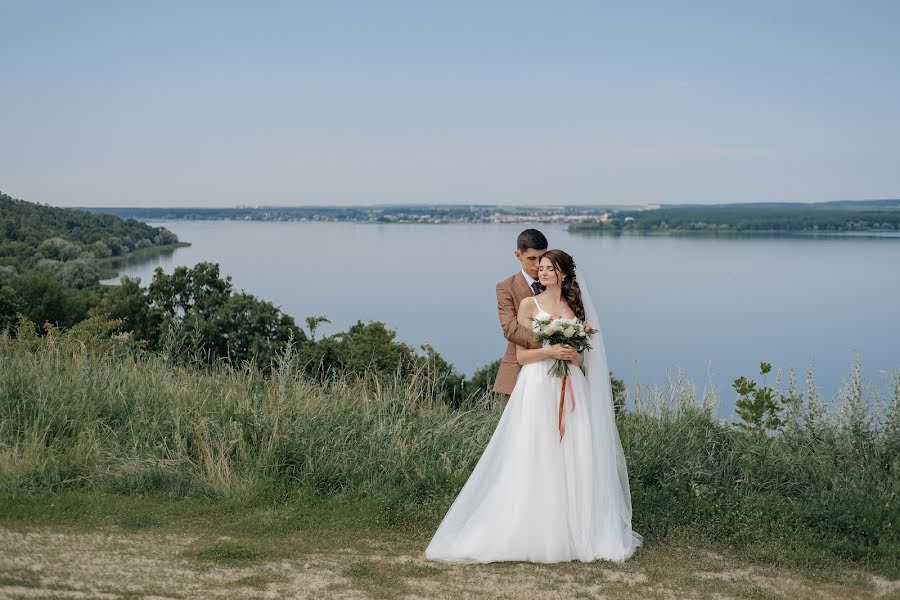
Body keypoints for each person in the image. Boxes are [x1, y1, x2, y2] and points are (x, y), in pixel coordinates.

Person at [425, 249, 643, 564]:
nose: (542, 273)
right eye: (540, 268)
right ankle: (534, 530)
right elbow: (523, 357)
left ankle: (575, 529)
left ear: (563, 273)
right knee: (537, 451)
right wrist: (550, 351)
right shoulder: (529, 305)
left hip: (570, 387)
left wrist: (571, 355)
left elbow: (582, 359)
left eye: (549, 268)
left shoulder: (573, 309)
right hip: (538, 384)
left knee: (574, 451)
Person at [493, 229, 548, 404]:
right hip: (518, 370)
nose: (538, 264)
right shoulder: (506, 287)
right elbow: (511, 329)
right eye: (532, 258)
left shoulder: (557, 282)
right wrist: (550, 343)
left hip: (555, 370)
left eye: (542, 257)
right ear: (518, 255)